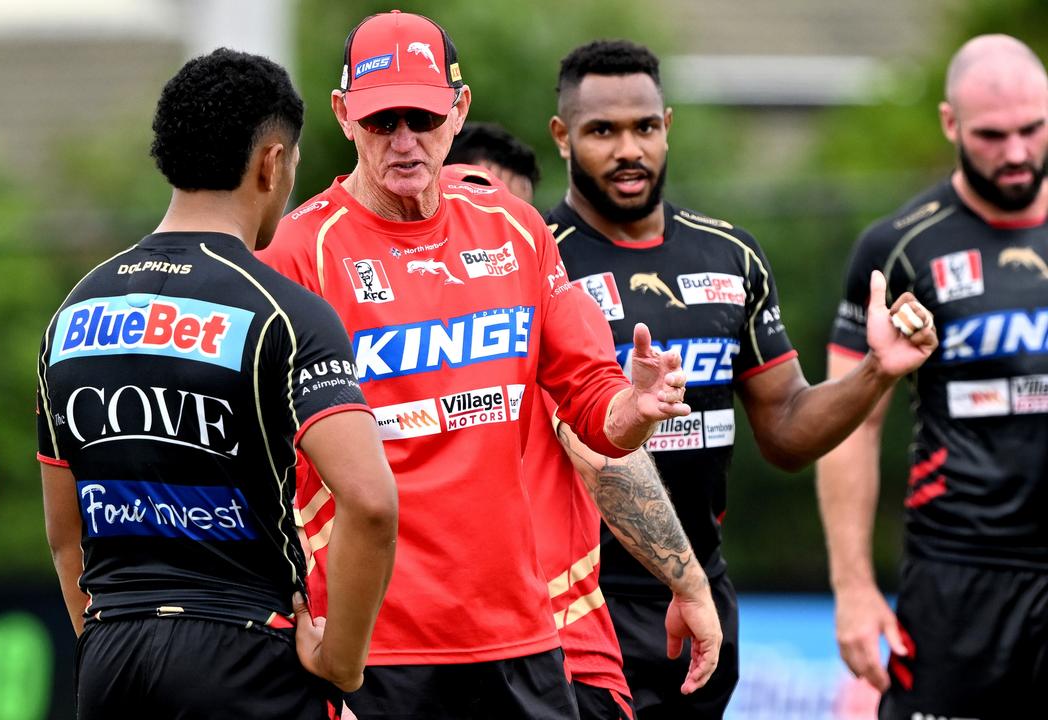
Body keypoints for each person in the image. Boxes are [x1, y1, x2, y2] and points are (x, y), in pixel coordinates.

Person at [260, 12, 719, 718]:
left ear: (460, 107)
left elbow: (594, 408)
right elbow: (257, 463)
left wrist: (637, 408)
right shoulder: (299, 253)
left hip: (519, 637)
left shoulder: (514, 228)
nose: (406, 141)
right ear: (343, 115)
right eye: (384, 121)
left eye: (424, 115)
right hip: (375, 648)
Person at [545, 40, 938, 719]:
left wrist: (877, 372)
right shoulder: (534, 257)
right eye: (601, 131)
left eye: (644, 127)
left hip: (704, 591)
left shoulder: (732, 256)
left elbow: (785, 430)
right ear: (562, 137)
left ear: (668, 124)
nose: (628, 149)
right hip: (576, 603)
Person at [36, 49, 398, 720]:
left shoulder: (71, 313)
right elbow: (372, 503)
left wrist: (109, 646)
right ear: (270, 161)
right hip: (246, 653)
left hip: (110, 653)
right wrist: (340, 662)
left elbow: (66, 537)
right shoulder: (285, 311)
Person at [818, 34, 1048, 719]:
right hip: (959, 577)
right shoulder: (899, 247)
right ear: (951, 124)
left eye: (1033, 129)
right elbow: (849, 424)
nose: (1015, 152)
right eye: (991, 134)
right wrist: (854, 587)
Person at [444, 127, 635, 719]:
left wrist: (690, 582)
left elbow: (608, 450)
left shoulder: (546, 315)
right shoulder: (339, 291)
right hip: (438, 653)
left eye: (514, 215)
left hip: (568, 651)